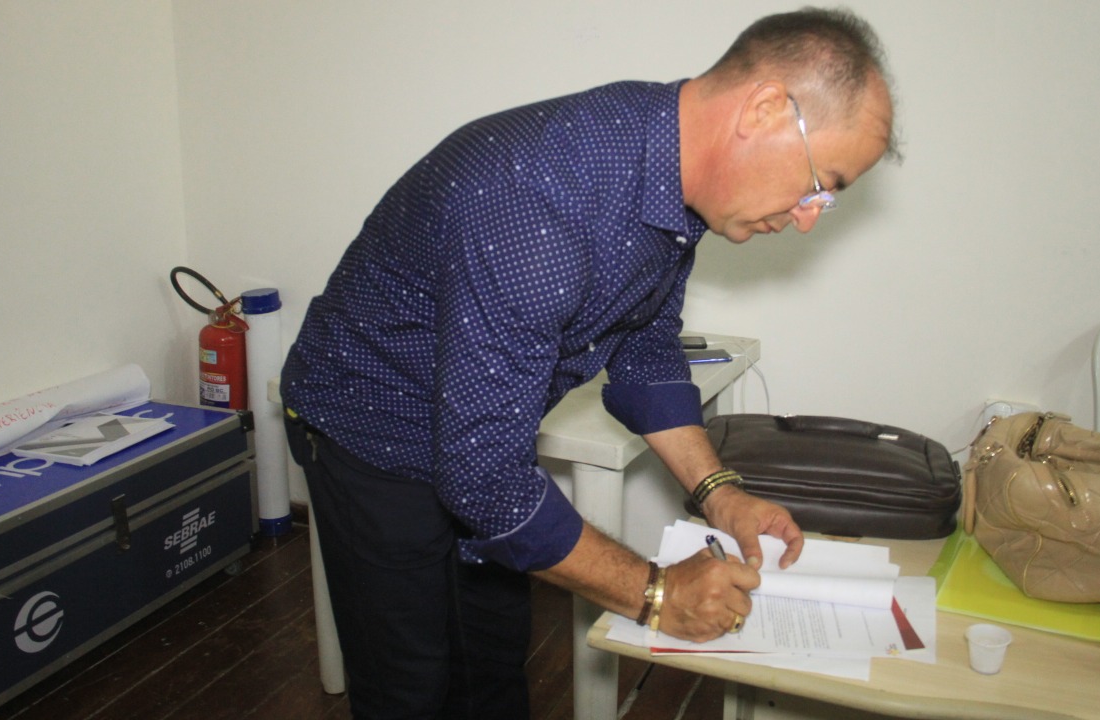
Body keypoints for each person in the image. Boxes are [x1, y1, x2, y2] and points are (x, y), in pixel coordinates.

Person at [280, 6, 899, 719]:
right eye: (822, 183)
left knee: (491, 659)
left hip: (481, 428)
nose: (810, 216)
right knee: (410, 683)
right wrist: (658, 594)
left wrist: (719, 492)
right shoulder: (538, 199)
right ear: (763, 110)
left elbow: (645, 343)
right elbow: (484, 481)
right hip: (371, 426)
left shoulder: (669, 170)